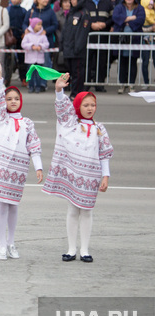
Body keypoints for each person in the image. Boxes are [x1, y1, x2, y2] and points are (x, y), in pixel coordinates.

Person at [0, 59, 43, 260]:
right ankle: (2, 245)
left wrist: (38, 167)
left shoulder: (27, 123)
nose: (12, 101)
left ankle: (12, 242)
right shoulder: (1, 118)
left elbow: (34, 146)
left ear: (21, 101)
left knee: (14, 205)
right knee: (2, 205)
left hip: (18, 171)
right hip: (0, 169)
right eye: (9, 98)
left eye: (16, 98)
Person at [44, 75, 113, 263]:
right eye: (86, 105)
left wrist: (105, 176)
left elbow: (104, 154)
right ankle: (71, 248)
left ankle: (85, 249)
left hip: (91, 177)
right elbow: (62, 109)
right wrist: (59, 91)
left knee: (87, 211)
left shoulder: (100, 129)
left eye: (93, 105)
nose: (90, 108)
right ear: (78, 107)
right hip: (73, 175)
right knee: (73, 210)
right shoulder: (71, 123)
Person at [112, 0, 146, 93]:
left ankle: (131, 84)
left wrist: (127, 21)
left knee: (132, 61)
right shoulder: (119, 7)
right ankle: (122, 84)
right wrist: (130, 18)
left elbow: (140, 19)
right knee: (122, 61)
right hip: (121, 39)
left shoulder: (139, 8)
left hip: (134, 39)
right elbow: (116, 17)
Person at [82, 0, 114, 91]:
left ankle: (99, 83)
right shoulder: (84, 3)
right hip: (89, 36)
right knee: (87, 61)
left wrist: (105, 24)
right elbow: (82, 17)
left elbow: (112, 18)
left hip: (103, 36)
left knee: (101, 61)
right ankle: (86, 83)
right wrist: (91, 24)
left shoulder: (107, 3)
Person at [21, 18, 50, 93]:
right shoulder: (28, 36)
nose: (40, 26)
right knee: (30, 73)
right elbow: (23, 44)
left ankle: (38, 86)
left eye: (41, 24)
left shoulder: (42, 36)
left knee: (38, 73)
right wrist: (31, 46)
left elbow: (46, 44)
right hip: (30, 58)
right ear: (33, 25)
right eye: (38, 24)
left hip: (39, 58)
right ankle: (31, 86)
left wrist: (40, 46)